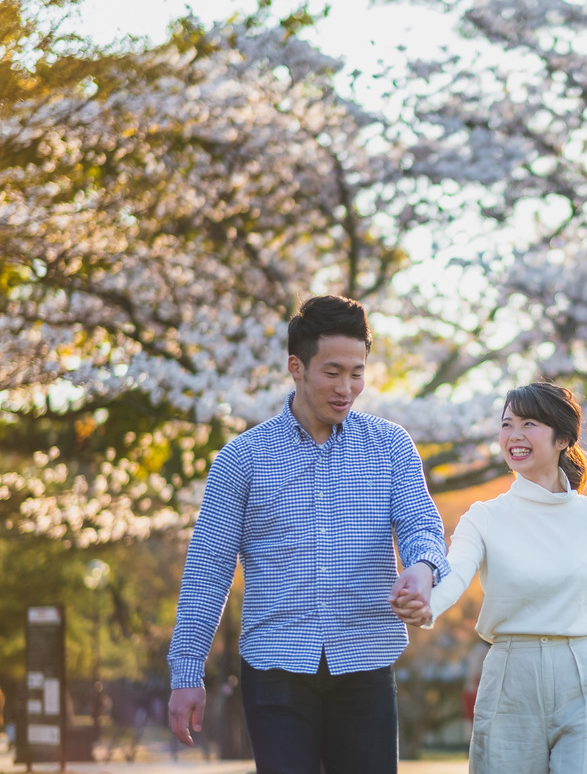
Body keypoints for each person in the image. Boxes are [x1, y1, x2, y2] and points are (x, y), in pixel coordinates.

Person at [166, 295, 450, 774]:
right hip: (275, 672)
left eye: (357, 372)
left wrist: (422, 569)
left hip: (365, 663)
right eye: (332, 372)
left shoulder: (391, 446)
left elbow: (422, 526)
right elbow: (207, 572)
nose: (346, 388)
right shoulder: (242, 459)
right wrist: (186, 672)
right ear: (296, 367)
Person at [392, 381, 587, 774]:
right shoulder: (484, 517)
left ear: (563, 437)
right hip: (510, 680)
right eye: (506, 424)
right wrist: (426, 603)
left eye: (528, 423)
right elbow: (455, 573)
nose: (514, 435)